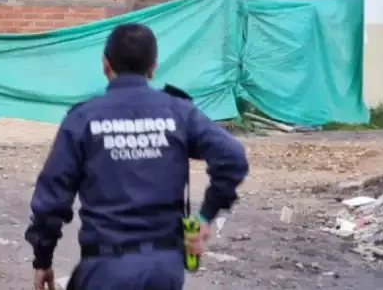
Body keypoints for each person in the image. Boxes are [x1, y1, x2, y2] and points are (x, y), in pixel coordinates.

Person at [24, 23, 249, 290]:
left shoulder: (84, 119)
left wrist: (43, 259)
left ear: (105, 65)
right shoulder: (178, 112)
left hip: (105, 270)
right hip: (164, 271)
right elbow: (233, 157)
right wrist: (204, 217)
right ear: (153, 67)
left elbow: (51, 200)